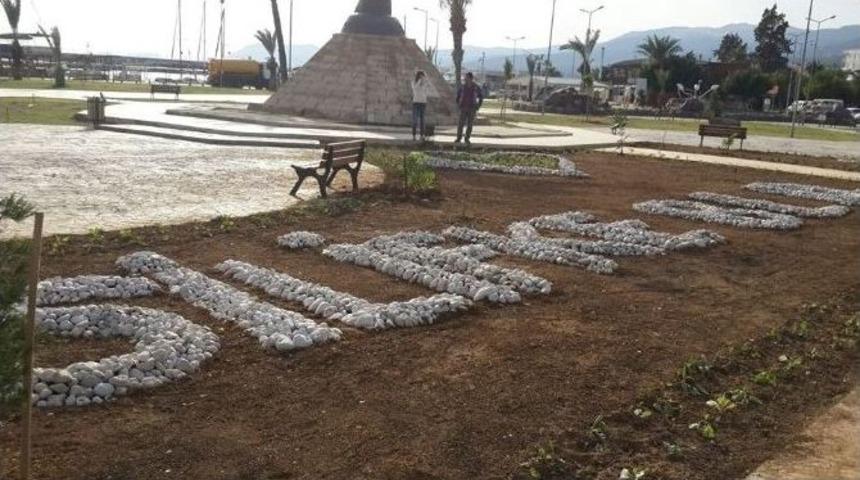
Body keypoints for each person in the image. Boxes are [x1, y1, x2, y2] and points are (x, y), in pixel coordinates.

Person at [455, 72, 484, 145]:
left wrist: (478, 106)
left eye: (467, 77)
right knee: (460, 124)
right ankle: (459, 138)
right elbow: (458, 96)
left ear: (471, 78)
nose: (465, 79)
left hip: (472, 108)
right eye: (465, 77)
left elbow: (481, 97)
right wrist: (459, 104)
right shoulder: (462, 87)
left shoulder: (476, 87)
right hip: (463, 107)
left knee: (470, 125)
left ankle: (467, 138)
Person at [411, 70, 431, 141]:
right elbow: (415, 89)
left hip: (423, 103)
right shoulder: (413, 82)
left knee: (422, 120)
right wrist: (419, 81)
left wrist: (426, 80)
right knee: (415, 120)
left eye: (423, 76)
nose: (423, 77)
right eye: (421, 76)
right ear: (418, 76)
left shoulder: (425, 83)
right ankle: (414, 135)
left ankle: (422, 135)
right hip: (416, 102)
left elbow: (429, 88)